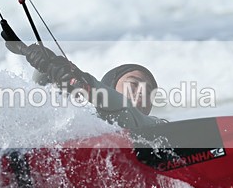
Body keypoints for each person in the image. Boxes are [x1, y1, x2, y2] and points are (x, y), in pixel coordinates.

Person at [12, 41, 165, 130]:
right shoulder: (80, 120)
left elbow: (126, 112)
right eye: (133, 84)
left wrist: (84, 83)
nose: (141, 92)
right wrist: (46, 63)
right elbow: (40, 100)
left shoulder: (159, 128)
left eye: (148, 91)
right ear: (110, 86)